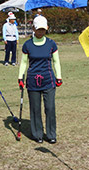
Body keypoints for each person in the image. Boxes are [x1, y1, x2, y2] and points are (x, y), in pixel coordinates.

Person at [18, 16, 62, 144]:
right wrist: (20, 77)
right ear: (33, 29)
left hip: (48, 80)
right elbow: (24, 63)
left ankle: (51, 134)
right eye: (38, 29)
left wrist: (59, 77)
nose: (40, 32)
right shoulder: (27, 45)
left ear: (47, 28)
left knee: (50, 108)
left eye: (43, 29)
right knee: (35, 109)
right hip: (32, 81)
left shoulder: (51, 44)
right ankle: (37, 134)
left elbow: (56, 61)